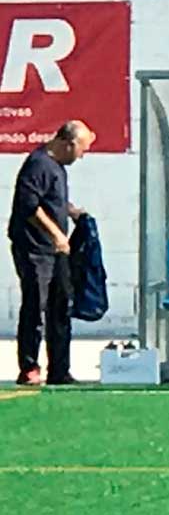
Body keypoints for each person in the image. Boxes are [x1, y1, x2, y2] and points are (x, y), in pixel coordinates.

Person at [9, 120, 95, 386]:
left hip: (56, 252)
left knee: (60, 308)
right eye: (81, 149)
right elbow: (30, 204)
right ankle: (29, 367)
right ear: (68, 143)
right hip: (34, 248)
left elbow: (50, 200)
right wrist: (56, 233)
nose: (82, 156)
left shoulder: (57, 168)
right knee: (36, 305)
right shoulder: (37, 164)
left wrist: (70, 211)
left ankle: (59, 369)